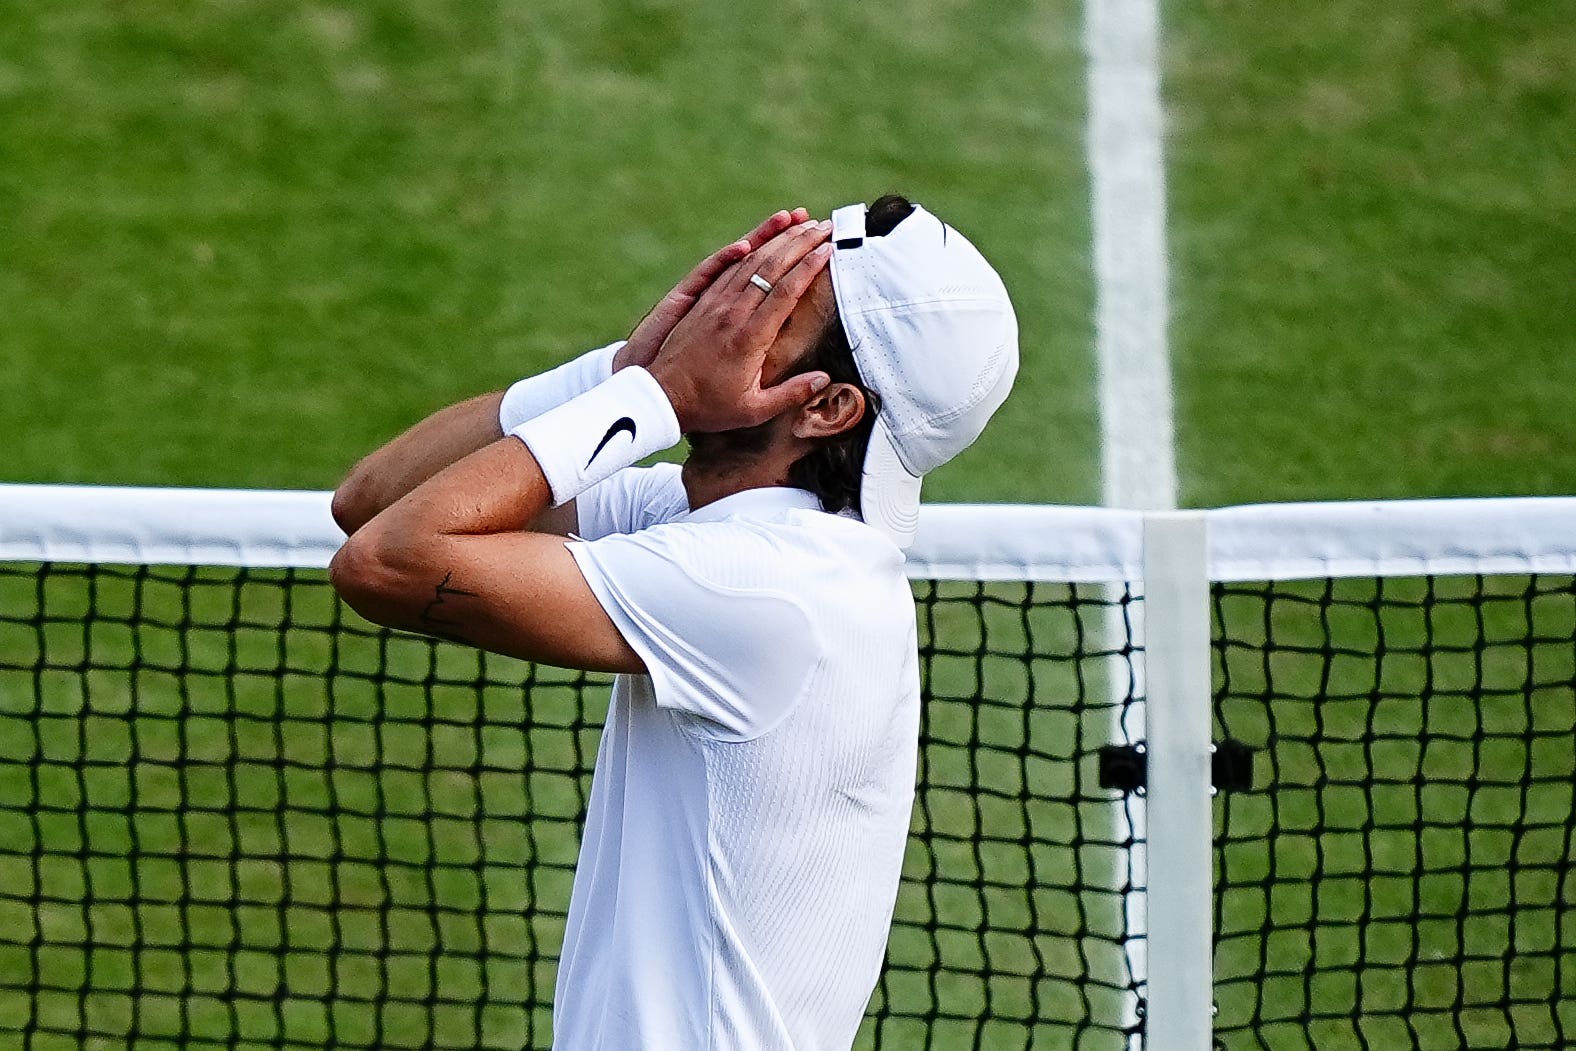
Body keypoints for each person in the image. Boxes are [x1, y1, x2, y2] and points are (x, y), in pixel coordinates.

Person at [329, 195, 1018, 1050]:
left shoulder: (775, 589)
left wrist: (656, 397)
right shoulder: (721, 526)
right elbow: (371, 505)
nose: (732, 302)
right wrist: (624, 372)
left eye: (771, 307)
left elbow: (385, 563)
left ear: (827, 408)